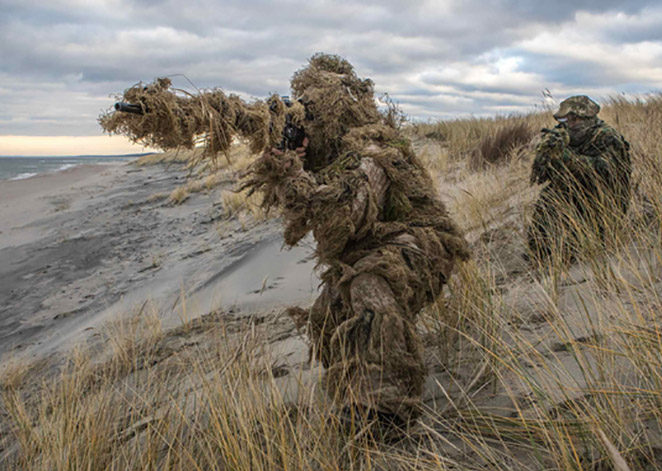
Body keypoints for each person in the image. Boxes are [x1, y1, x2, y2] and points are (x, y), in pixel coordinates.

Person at [99, 53, 470, 428]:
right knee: (330, 315)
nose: (303, 119)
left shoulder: (372, 148)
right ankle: (358, 390)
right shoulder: (327, 154)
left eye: (313, 110)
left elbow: (342, 221)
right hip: (372, 245)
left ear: (336, 112)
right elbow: (247, 118)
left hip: (422, 245)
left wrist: (296, 175)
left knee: (370, 284)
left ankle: (387, 410)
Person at [527, 95, 631, 264]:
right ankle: (541, 252)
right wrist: (546, 153)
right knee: (548, 199)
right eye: (565, 119)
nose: (568, 124)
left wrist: (566, 156)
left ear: (587, 119)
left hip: (602, 201)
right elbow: (544, 176)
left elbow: (604, 172)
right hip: (575, 193)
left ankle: (574, 253)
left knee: (583, 240)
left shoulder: (606, 137)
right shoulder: (563, 135)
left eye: (573, 120)